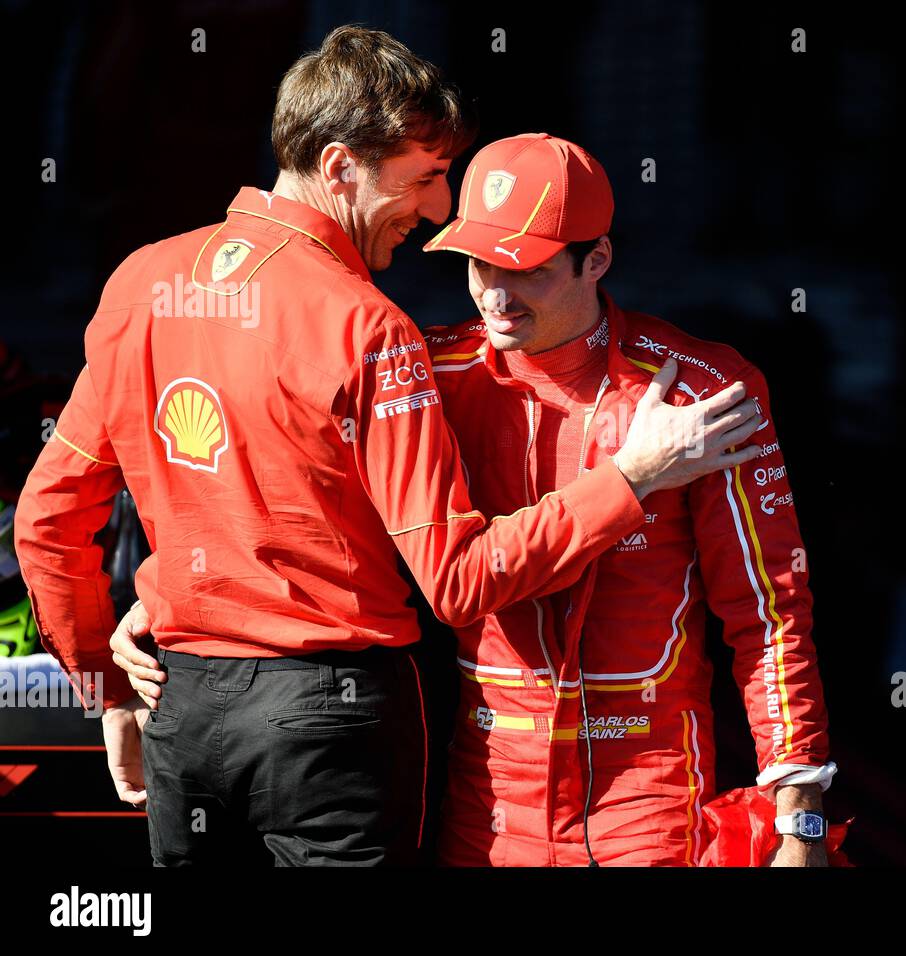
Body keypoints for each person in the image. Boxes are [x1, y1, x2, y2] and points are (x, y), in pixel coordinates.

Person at [14, 30, 762, 866]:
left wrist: (108, 691)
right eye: (426, 177)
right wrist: (632, 476)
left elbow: (46, 522)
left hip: (182, 711)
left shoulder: (142, 282)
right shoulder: (367, 325)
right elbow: (459, 579)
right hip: (333, 724)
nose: (439, 211)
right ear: (339, 168)